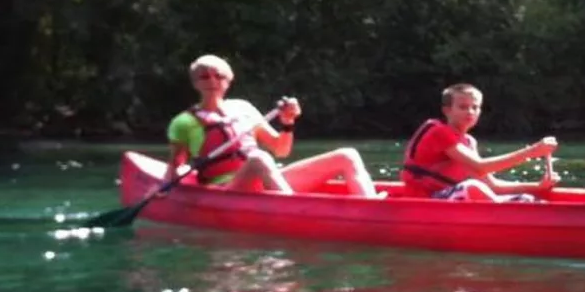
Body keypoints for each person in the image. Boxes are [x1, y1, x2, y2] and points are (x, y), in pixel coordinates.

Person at [165, 55, 379, 197]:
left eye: (218, 76)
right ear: (195, 83)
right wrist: (173, 182)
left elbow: (281, 149)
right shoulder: (183, 122)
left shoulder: (243, 108)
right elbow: (175, 169)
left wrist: (288, 123)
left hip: (265, 178)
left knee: (347, 155)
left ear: (228, 80)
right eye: (204, 76)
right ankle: (294, 211)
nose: (212, 81)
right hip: (227, 189)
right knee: (259, 158)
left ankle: (372, 208)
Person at [399, 83, 559, 201]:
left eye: (475, 107)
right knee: (472, 187)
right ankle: (506, 215)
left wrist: (537, 186)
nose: (470, 112)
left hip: (448, 198)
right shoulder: (439, 131)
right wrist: (532, 152)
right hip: (425, 201)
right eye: (463, 107)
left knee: (526, 199)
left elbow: (493, 185)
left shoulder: (469, 142)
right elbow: (480, 167)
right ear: (447, 111)